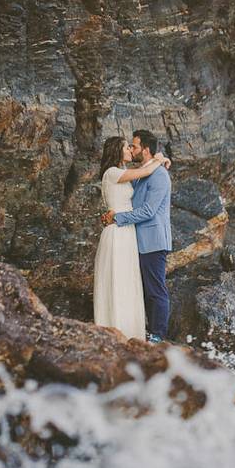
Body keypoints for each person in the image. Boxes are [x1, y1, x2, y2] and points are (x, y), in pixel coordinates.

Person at [93, 136, 170, 340]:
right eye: (127, 147)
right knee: (121, 282)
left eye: (133, 146)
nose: (130, 150)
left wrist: (160, 159)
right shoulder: (115, 173)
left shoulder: (155, 175)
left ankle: (154, 336)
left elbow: (148, 210)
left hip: (137, 234)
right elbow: (144, 171)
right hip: (122, 233)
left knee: (142, 287)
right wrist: (159, 159)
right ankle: (118, 330)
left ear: (145, 150)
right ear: (117, 151)